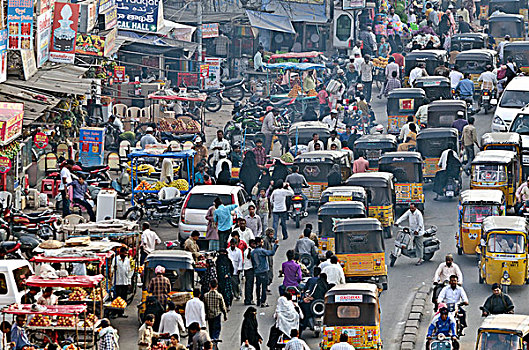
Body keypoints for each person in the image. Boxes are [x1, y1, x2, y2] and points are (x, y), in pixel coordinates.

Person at [252, 236, 279, 307]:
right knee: (264, 287)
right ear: (258, 243)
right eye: (261, 242)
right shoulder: (261, 251)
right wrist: (275, 245)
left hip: (257, 271)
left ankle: (258, 301)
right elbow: (271, 253)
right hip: (264, 271)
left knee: (258, 287)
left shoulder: (253, 252)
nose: (262, 243)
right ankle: (263, 302)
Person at [114, 246, 132, 316]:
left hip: (125, 281)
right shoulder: (116, 259)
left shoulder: (127, 260)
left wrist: (129, 282)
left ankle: (121, 312)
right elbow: (112, 270)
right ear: (121, 253)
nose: (125, 255)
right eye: (124, 253)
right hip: (118, 281)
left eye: (126, 254)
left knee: (124, 298)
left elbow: (129, 271)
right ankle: (116, 312)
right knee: (118, 298)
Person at [243, 239, 256, 305]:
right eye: (253, 244)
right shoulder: (249, 251)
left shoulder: (248, 250)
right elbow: (249, 257)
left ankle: (248, 299)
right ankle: (248, 299)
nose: (254, 245)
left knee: (249, 285)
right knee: (249, 285)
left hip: (248, 269)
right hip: (249, 269)